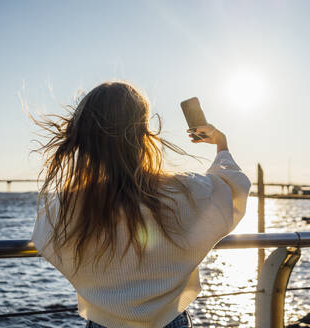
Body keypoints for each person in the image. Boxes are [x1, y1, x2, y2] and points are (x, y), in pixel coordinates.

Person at [30, 81, 251, 328]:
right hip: (170, 322)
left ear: (84, 140)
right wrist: (221, 144)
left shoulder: (68, 207)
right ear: (143, 134)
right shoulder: (183, 191)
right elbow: (234, 188)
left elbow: (44, 236)